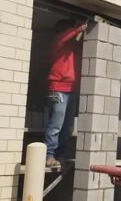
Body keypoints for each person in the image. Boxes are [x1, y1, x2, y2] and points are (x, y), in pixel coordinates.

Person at [44, 18, 88, 167]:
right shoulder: (57, 43)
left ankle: (60, 154)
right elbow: (63, 37)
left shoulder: (73, 47)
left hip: (71, 89)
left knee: (66, 126)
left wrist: (80, 32)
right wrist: (76, 30)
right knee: (56, 124)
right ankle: (49, 154)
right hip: (57, 88)